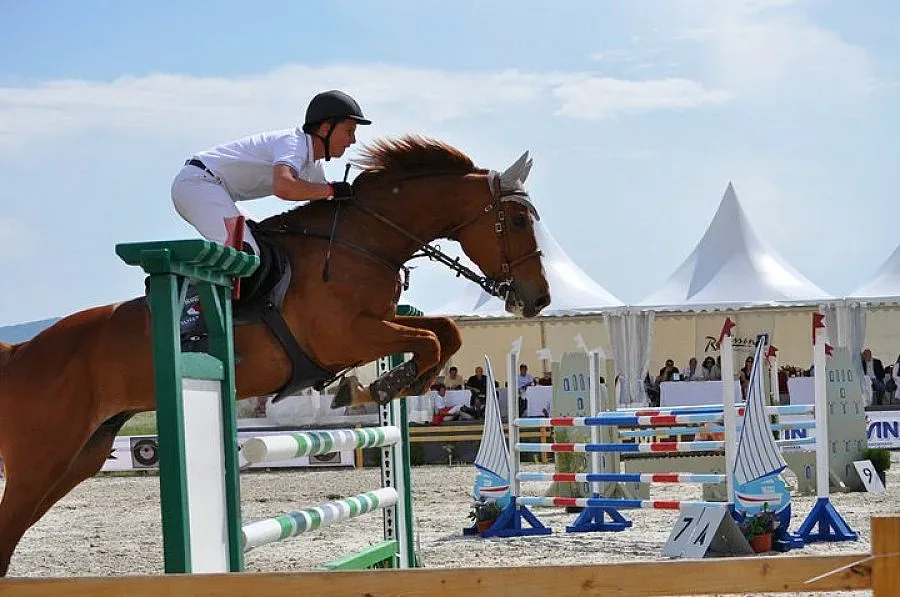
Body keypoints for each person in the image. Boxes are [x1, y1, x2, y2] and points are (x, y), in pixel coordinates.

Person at [171, 89, 371, 304]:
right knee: (244, 252)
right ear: (325, 128)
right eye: (349, 131)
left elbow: (324, 208)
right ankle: (180, 294)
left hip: (214, 189)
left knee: (264, 241)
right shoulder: (293, 144)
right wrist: (332, 190)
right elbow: (285, 187)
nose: (353, 140)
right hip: (197, 184)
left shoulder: (312, 164)